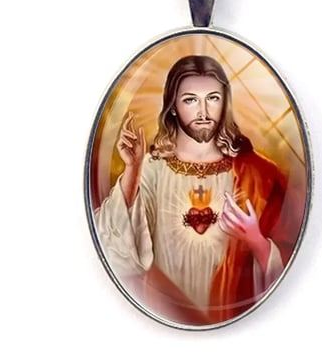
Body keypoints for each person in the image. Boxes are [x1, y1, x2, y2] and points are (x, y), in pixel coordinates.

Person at [94, 55, 302, 325]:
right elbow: (116, 254)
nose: (203, 112)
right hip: (158, 319)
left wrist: (257, 242)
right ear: (172, 107)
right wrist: (133, 169)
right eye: (190, 100)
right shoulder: (151, 169)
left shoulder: (260, 174)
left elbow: (292, 268)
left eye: (213, 98)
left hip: (244, 322)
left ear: (225, 103)